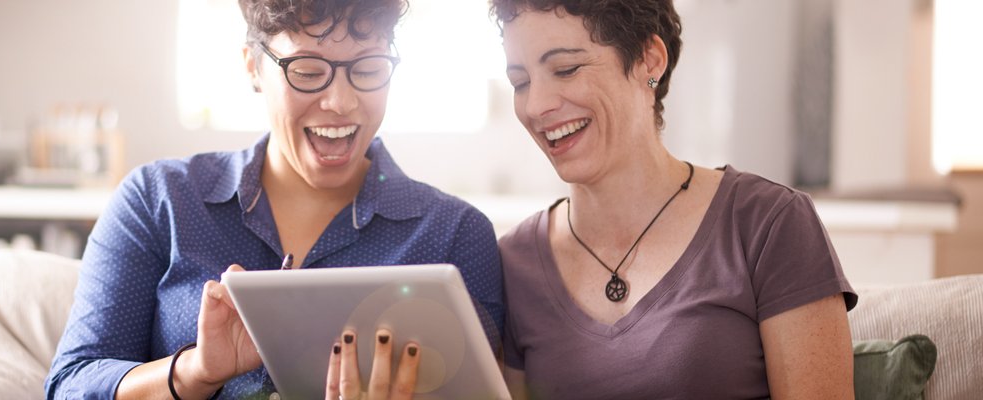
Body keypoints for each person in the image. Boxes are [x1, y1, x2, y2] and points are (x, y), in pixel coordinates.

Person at [45, 0, 504, 398]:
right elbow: (71, 384)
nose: (341, 102)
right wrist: (196, 372)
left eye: (367, 69)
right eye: (307, 72)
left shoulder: (455, 234)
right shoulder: (159, 201)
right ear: (253, 68)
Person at [489, 0, 857, 399]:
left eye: (566, 69)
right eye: (520, 82)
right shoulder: (514, 262)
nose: (536, 105)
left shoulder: (768, 223)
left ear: (649, 61)